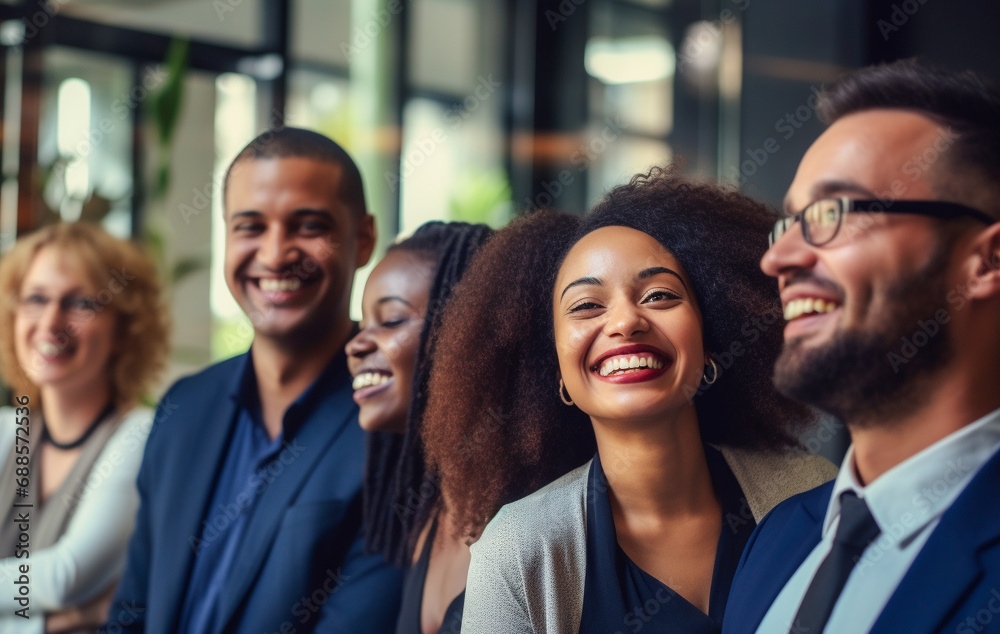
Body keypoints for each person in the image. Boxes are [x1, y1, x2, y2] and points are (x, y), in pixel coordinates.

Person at [454, 170, 836, 633]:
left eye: (659, 295)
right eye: (586, 306)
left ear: (712, 338)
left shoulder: (813, 493)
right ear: (554, 371)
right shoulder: (516, 555)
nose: (626, 321)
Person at [722, 60, 1000, 634]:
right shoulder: (775, 541)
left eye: (832, 214)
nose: (777, 259)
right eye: (789, 223)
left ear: (987, 261)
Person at [106, 128, 403, 633]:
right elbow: (131, 615)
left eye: (308, 226)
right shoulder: (184, 408)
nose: (274, 254)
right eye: (250, 227)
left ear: (365, 238)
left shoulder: (393, 426)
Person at [0, 222, 168, 634]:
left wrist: (57, 606)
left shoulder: (140, 437)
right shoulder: (6, 431)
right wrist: (63, 621)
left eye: (81, 304)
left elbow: (64, 577)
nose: (51, 321)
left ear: (125, 331)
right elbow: (62, 597)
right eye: (36, 299)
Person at [345, 220, 492, 634]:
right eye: (361, 325)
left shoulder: (529, 518)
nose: (356, 345)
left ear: (466, 335)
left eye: (390, 321)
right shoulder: (430, 516)